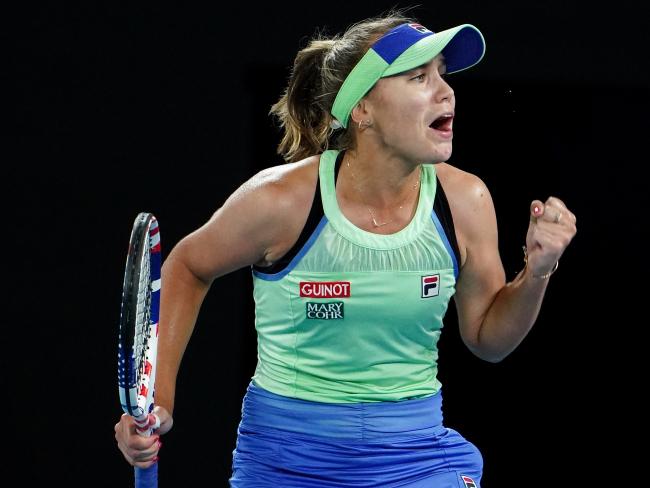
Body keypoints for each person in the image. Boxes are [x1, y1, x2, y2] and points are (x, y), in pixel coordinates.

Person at [114, 10, 577, 487]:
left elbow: (488, 338)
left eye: (442, 72)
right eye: (419, 76)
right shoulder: (281, 201)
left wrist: (538, 271)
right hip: (288, 457)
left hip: (415, 454)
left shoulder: (466, 201)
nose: (445, 90)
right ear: (362, 110)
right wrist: (158, 399)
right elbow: (189, 266)